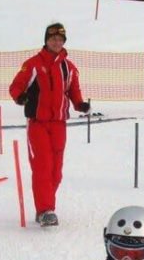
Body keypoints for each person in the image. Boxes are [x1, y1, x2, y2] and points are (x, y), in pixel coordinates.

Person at [9, 23, 90, 227]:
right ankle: (45, 210)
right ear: (46, 40)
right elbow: (16, 86)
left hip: (59, 124)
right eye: (52, 39)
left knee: (56, 171)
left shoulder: (69, 68)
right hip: (38, 123)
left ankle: (46, 207)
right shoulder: (34, 64)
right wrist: (20, 97)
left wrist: (79, 104)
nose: (56, 42)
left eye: (60, 39)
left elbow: (74, 90)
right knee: (42, 166)